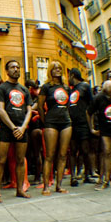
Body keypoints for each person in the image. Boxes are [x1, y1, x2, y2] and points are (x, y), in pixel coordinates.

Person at [0, 60, 32, 202]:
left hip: (22, 129)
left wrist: (23, 127)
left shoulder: (24, 90)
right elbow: (0, 110)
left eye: (17, 67)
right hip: (6, 129)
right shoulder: (2, 88)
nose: (16, 69)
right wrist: (13, 127)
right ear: (7, 71)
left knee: (20, 160)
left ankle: (20, 189)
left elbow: (29, 110)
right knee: (1, 160)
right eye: (12, 67)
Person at [37, 61, 72, 196]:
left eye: (59, 68)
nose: (57, 70)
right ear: (50, 71)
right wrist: (45, 121)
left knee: (63, 155)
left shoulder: (66, 87)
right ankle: (46, 186)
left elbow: (67, 105)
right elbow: (40, 106)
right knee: (49, 156)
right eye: (55, 68)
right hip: (51, 123)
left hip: (66, 123)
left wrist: (66, 116)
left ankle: (59, 185)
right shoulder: (46, 87)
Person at [68, 68, 95, 186]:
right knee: (73, 150)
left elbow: (92, 105)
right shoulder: (71, 90)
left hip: (83, 123)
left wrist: (91, 125)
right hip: (72, 124)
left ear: (73, 75)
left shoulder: (85, 86)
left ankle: (87, 175)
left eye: (69, 75)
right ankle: (73, 176)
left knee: (85, 150)